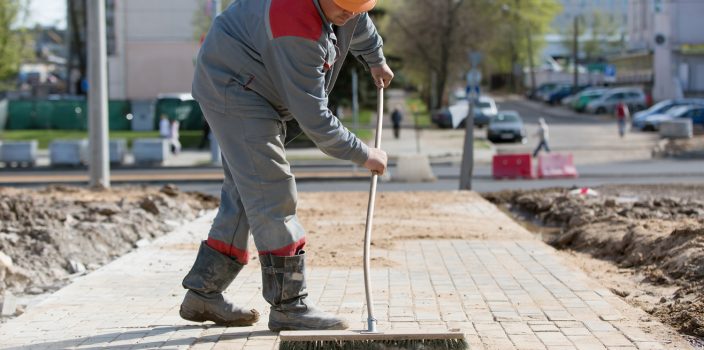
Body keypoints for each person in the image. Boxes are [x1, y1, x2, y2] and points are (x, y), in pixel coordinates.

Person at [180, 0, 393, 332]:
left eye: (358, 6)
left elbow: (359, 24)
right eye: (344, 6)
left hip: (259, 83)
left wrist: (376, 60)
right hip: (234, 86)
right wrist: (364, 153)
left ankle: (204, 293)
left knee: (246, 190)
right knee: (272, 190)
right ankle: (290, 306)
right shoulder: (294, 26)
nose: (350, 13)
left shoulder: (347, 8)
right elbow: (316, 121)